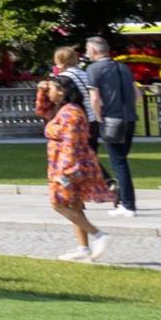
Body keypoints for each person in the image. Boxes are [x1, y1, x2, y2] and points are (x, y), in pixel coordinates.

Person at [38, 72, 111, 261]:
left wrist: (66, 172)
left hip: (69, 167)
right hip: (66, 165)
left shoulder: (71, 113)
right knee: (75, 204)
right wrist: (41, 90)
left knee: (58, 203)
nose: (49, 92)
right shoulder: (63, 110)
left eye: (52, 89)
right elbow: (42, 110)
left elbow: (72, 143)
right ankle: (83, 248)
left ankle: (98, 234)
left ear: (61, 92)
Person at [75, 31, 141, 214]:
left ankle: (127, 204)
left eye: (88, 50)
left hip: (112, 119)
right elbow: (138, 95)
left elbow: (94, 98)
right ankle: (125, 202)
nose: (87, 54)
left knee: (118, 163)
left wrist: (98, 118)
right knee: (122, 161)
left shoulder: (94, 69)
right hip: (130, 119)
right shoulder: (123, 67)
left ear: (95, 51)